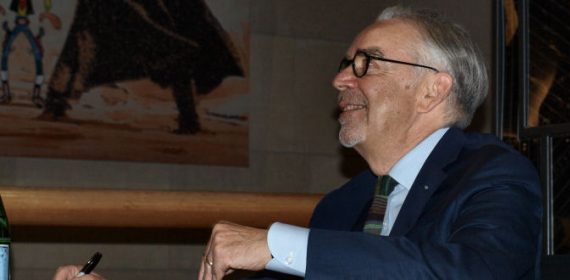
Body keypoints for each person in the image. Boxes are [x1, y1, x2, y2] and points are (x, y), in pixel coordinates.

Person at [53, 5, 542, 280]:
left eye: (365, 64)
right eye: (344, 64)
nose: (339, 81)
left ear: (434, 88)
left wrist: (273, 242)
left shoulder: (491, 173)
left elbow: (476, 274)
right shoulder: (344, 205)